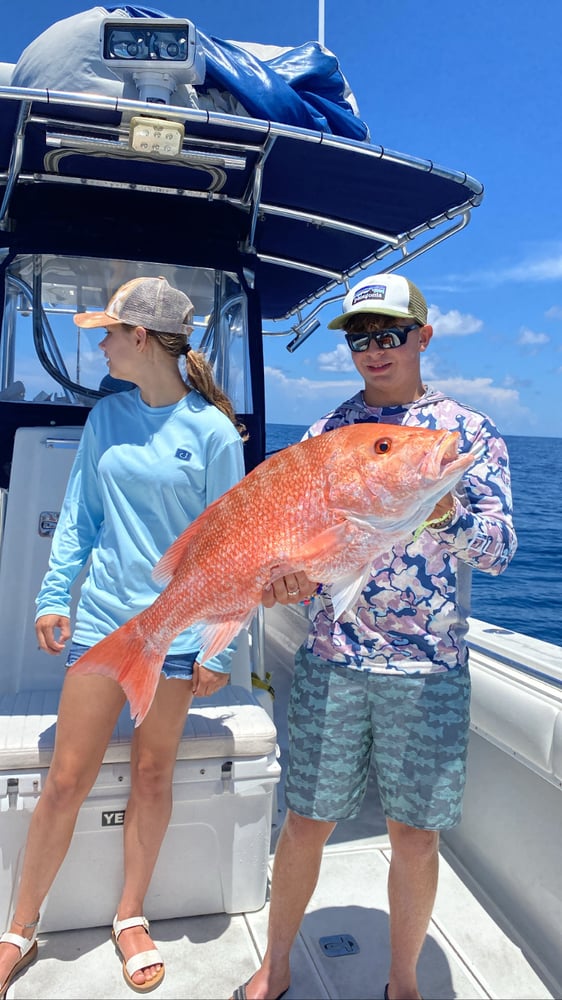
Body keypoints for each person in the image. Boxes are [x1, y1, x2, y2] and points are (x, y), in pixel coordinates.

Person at [231, 272, 517, 1000]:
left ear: (424, 336)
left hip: (430, 670)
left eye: (389, 334)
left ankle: (401, 981)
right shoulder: (328, 434)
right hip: (333, 658)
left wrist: (441, 510)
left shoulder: (467, 434)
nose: (373, 350)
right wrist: (281, 581)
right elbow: (288, 552)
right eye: (361, 338)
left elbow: (499, 550)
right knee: (306, 821)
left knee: (416, 835)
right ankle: (279, 963)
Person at [0, 275, 248, 996]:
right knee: (66, 779)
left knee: (151, 773)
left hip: (175, 635)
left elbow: (228, 552)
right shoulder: (108, 415)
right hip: (107, 624)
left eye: (108, 333)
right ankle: (18, 926)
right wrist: (55, 597)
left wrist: (217, 647)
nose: (100, 344)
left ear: (142, 339)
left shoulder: (211, 433)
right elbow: (80, 516)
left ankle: (130, 915)